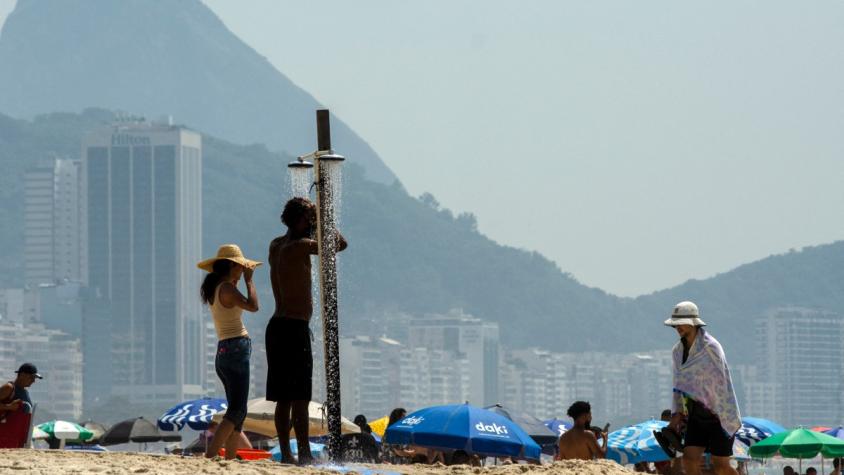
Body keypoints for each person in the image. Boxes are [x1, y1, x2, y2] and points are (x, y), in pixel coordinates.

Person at [266, 197, 348, 464]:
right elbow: (340, 244)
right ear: (301, 220)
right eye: (308, 219)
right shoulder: (300, 247)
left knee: (283, 399)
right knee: (300, 396)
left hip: (276, 326)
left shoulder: (276, 245)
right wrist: (322, 218)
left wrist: (312, 221)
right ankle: (303, 453)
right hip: (294, 327)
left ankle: (287, 454)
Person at [197, 244, 260, 459]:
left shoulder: (218, 288)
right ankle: (211, 455)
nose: (243, 270)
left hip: (224, 351)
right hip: (236, 349)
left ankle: (230, 459)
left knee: (237, 411)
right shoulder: (227, 288)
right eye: (241, 267)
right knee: (236, 411)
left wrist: (239, 279)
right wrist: (250, 281)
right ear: (232, 266)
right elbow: (253, 306)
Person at [665, 301, 741, 475]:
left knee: (721, 466)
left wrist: (700, 392)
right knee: (689, 460)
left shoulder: (711, 347)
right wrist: (676, 415)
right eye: (675, 323)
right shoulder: (677, 351)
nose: (677, 327)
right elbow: (678, 385)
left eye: (681, 323)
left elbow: (721, 382)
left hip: (719, 415)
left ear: (693, 322)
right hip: (695, 414)